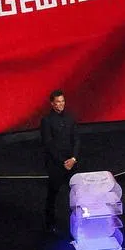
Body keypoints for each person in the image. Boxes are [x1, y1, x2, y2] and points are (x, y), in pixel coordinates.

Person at [40, 89, 79, 231]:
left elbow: (76, 139)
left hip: (71, 162)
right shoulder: (47, 121)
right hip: (56, 164)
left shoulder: (70, 118)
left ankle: (77, 220)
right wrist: (64, 162)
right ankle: (50, 223)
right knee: (53, 194)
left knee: (76, 192)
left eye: (62, 101)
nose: (61, 104)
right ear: (52, 104)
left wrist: (73, 158)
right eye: (58, 102)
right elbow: (48, 144)